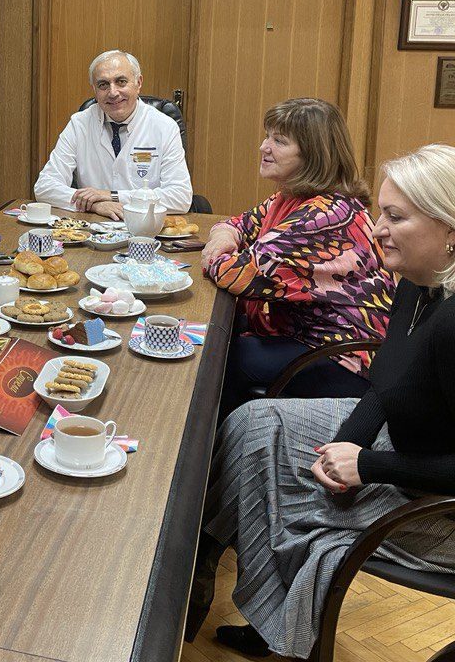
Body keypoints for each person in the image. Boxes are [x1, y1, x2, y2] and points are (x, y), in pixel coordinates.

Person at [186, 143, 455, 660]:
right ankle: (214, 568)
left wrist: (367, 464)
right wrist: (347, 440)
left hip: (435, 505)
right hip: (404, 441)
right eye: (381, 212)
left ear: (449, 231)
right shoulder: (419, 285)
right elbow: (385, 385)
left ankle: (268, 617)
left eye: (395, 217)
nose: (376, 229)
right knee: (252, 424)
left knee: (291, 491)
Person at [202, 98, 393, 418]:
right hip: (308, 338)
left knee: (217, 361)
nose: (264, 146)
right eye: (267, 136)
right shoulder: (292, 197)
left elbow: (235, 273)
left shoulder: (324, 216)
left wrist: (218, 250)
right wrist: (224, 238)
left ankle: (214, 460)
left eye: (279, 140)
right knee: (218, 343)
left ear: (312, 154)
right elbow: (236, 225)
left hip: (342, 358)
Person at [33, 50, 192, 220]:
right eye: (103, 85)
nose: (113, 92)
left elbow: (180, 197)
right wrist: (95, 205)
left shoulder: (164, 126)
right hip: (92, 231)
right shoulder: (79, 124)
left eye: (121, 81)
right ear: (94, 89)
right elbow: (44, 187)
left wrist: (112, 196)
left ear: (138, 83)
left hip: (145, 230)